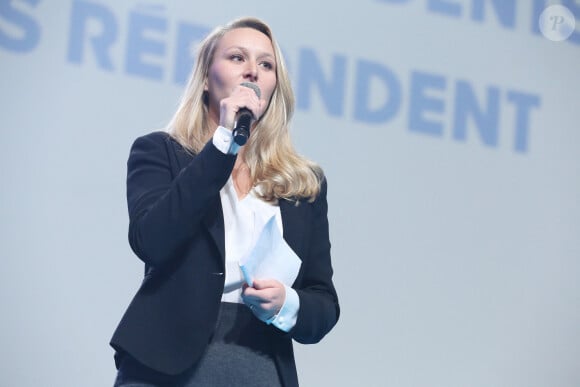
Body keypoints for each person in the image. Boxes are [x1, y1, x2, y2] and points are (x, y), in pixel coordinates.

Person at [110, 16, 340, 387]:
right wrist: (222, 145)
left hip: (260, 365)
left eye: (266, 64)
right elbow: (151, 240)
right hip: (165, 366)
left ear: (274, 86)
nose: (252, 71)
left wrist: (287, 303)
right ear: (205, 78)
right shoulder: (159, 152)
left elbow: (324, 304)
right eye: (237, 58)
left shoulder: (302, 184)